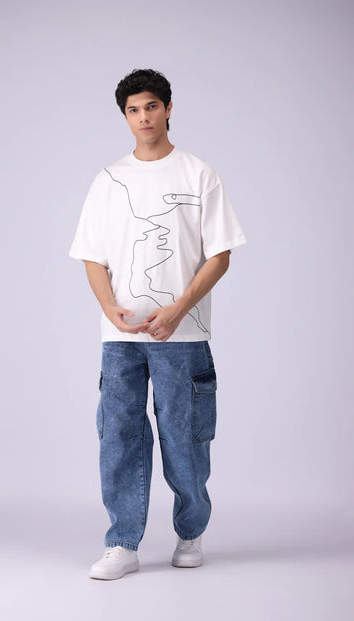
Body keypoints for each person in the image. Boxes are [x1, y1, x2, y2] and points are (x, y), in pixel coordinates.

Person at [69, 68, 247, 581]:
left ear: (168, 109)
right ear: (124, 117)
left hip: (182, 333)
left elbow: (220, 254)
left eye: (151, 106)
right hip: (121, 337)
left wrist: (178, 307)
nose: (143, 117)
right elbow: (92, 256)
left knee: (184, 436)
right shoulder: (109, 180)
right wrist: (109, 308)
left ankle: (190, 533)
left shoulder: (198, 174)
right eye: (133, 110)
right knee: (118, 437)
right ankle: (122, 543)